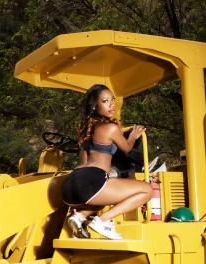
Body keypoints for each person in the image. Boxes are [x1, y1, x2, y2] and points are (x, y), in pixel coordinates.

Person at [61, 84, 153, 240]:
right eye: (105, 101)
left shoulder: (84, 130)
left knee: (106, 194)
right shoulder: (110, 128)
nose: (111, 105)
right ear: (95, 106)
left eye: (112, 100)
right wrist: (133, 136)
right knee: (147, 190)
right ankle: (102, 221)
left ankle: (80, 217)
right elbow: (127, 149)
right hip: (91, 182)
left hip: (70, 187)